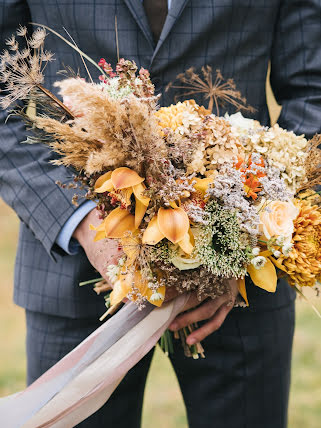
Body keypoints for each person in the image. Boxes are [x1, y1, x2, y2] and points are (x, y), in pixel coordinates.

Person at [0, 1, 320, 427]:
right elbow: (6, 98)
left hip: (241, 290)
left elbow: (313, 91)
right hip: (73, 280)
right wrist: (81, 221)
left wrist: (242, 237)